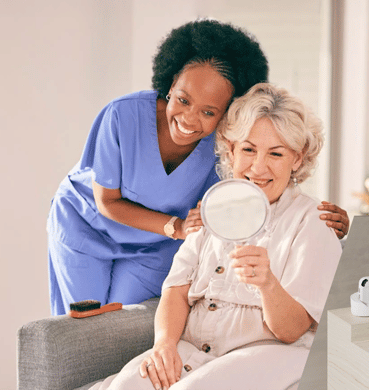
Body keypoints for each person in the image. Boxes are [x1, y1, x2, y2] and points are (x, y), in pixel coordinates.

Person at [47, 19, 349, 316]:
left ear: (226, 112)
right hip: (87, 225)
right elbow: (107, 201)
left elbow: (262, 179)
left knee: (124, 326)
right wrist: (176, 227)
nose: (190, 119)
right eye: (182, 99)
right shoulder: (122, 116)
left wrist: (318, 219)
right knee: (85, 323)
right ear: (169, 84)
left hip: (158, 247)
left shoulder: (223, 143)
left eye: (208, 111)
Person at [91, 83, 342, 390]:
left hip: (269, 354)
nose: (258, 167)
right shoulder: (214, 207)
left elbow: (291, 331)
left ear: (298, 159)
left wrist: (267, 283)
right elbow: (176, 290)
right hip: (195, 349)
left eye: (276, 154)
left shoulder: (313, 220)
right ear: (230, 149)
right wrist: (165, 345)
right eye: (248, 149)